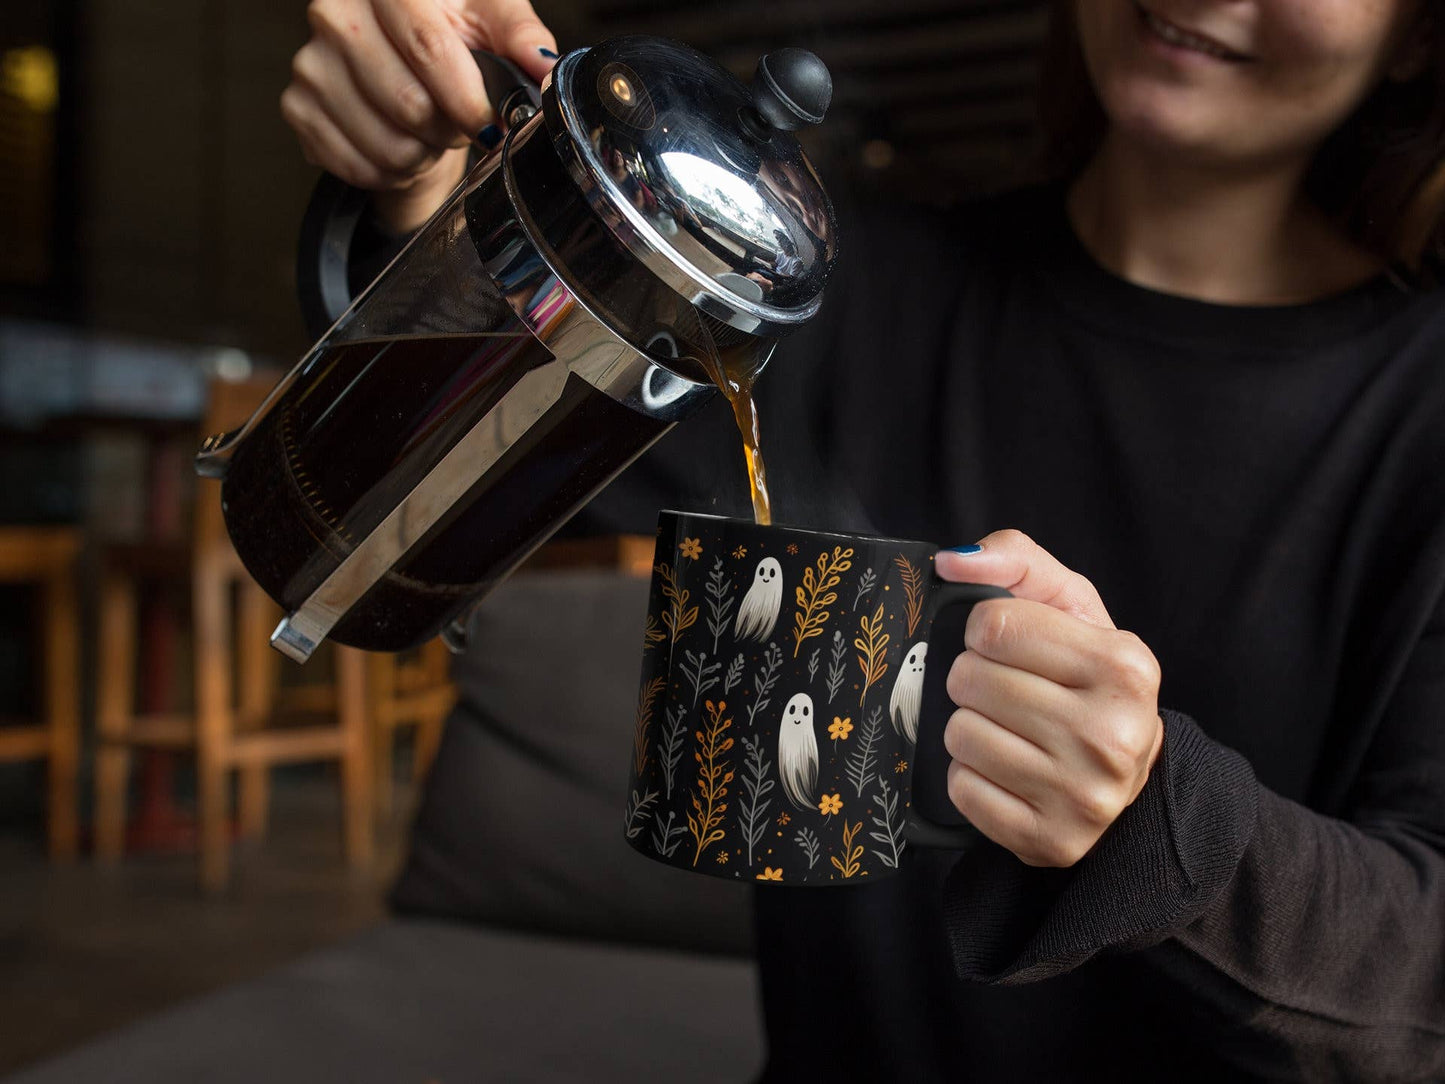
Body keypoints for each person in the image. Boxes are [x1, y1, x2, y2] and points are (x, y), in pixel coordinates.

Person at [281, 0, 1445, 1078]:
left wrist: (1157, 822)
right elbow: (444, 481)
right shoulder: (831, 296)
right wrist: (429, 186)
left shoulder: (1416, 405)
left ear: (1414, 34)